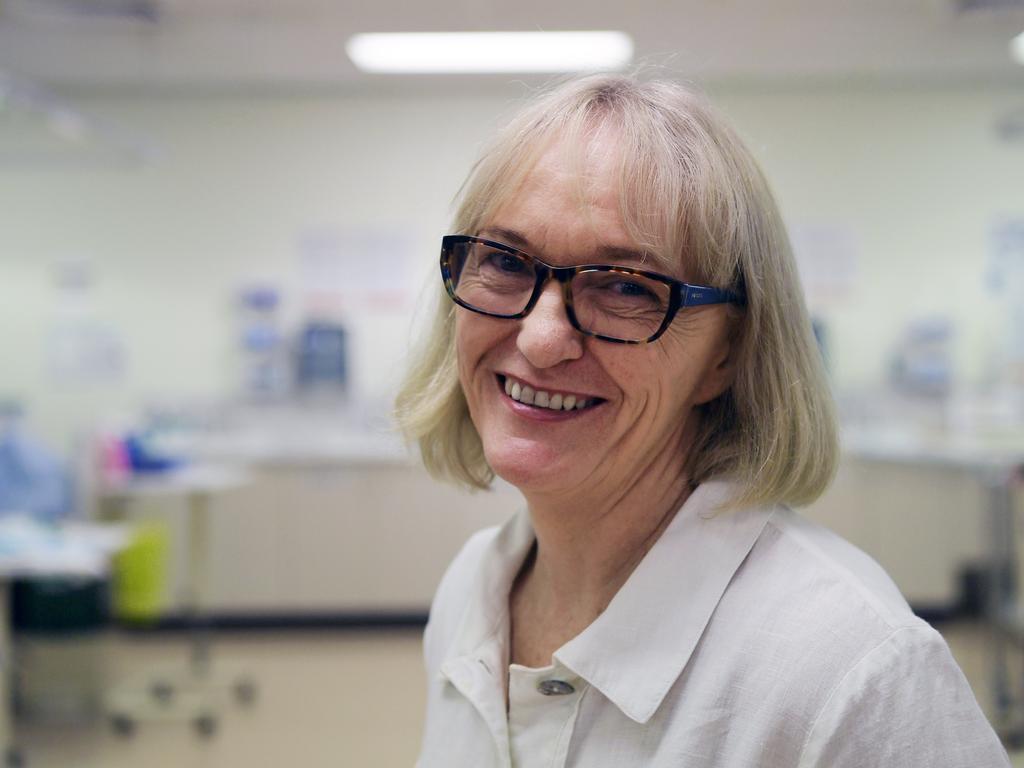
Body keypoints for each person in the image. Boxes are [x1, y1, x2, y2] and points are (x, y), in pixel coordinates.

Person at [396, 74, 1008, 767]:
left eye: (625, 286)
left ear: (727, 354)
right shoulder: (473, 591)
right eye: (504, 261)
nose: (540, 339)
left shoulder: (852, 672)